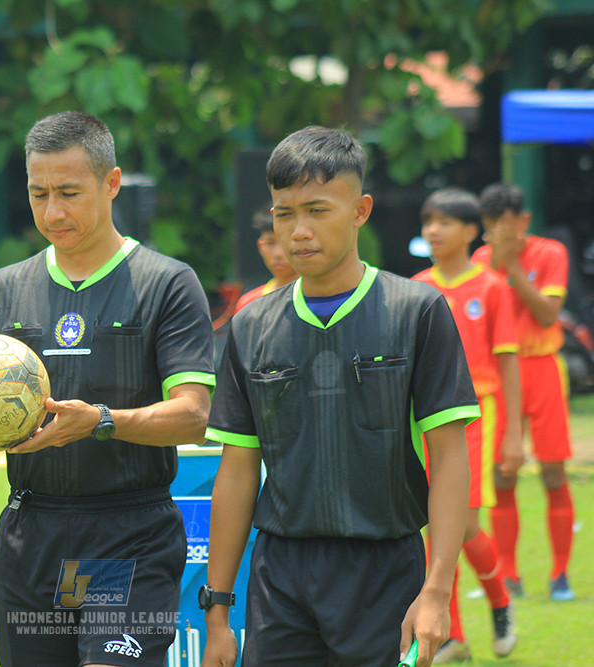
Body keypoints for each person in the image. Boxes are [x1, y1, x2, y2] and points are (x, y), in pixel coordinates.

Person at [0, 110, 215, 666]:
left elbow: (194, 414)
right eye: (38, 194)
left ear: (112, 183)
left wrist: (103, 420)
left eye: (70, 193)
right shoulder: (4, 290)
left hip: (128, 535)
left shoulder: (166, 284)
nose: (52, 212)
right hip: (33, 532)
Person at [201, 126, 479, 667]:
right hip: (279, 576)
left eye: (317, 210)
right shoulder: (249, 324)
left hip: (384, 571)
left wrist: (437, 590)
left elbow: (447, 457)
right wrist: (217, 612)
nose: (299, 231)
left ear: (360, 210)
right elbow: (236, 470)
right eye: (284, 214)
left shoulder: (417, 311)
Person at [412, 188, 523, 662]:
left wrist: (514, 434)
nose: (432, 231)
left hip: (477, 415)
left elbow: (509, 361)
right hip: (424, 419)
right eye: (427, 222)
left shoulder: (492, 286)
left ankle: (499, 601)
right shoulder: (417, 286)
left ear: (469, 231)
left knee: (463, 522)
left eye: (443, 222)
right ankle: (452, 636)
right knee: (433, 528)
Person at [471, 183, 576, 601]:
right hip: (501, 375)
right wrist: (499, 263)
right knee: (502, 474)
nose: (499, 233)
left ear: (524, 222)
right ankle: (508, 574)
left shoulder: (550, 253)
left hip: (544, 368)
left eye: (507, 224)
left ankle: (560, 574)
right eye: (491, 225)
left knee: (553, 471)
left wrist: (513, 269)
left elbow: (548, 313)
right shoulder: (480, 261)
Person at [233, 208, 298, 313]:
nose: (278, 254)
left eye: (285, 242)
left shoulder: (318, 298)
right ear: (260, 246)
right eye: (270, 243)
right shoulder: (248, 304)